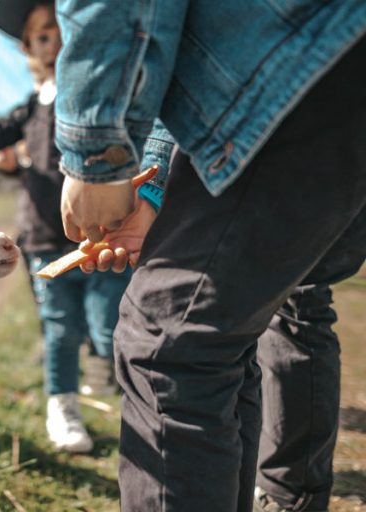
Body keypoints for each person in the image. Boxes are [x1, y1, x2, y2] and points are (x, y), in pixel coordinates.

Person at [52, 1, 366, 511]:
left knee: (168, 345)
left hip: (298, 63)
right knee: (236, 321)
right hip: (317, 53)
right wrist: (153, 186)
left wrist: (93, 152)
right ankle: (292, 500)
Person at [0, 0, 165, 454]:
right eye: (41, 35)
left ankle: (139, 408)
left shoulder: (108, 98)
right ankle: (63, 407)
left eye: (60, 28)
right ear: (29, 48)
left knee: (108, 325)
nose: (53, 40)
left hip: (102, 236)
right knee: (58, 328)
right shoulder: (33, 106)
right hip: (44, 238)